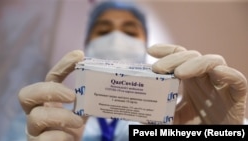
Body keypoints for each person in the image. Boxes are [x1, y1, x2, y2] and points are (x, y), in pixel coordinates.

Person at [18, 1, 247, 141]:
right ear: (87, 43)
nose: (116, 38)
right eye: (104, 30)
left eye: (130, 31)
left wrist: (223, 133)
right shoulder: (51, 123)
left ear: (146, 43)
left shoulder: (182, 113)